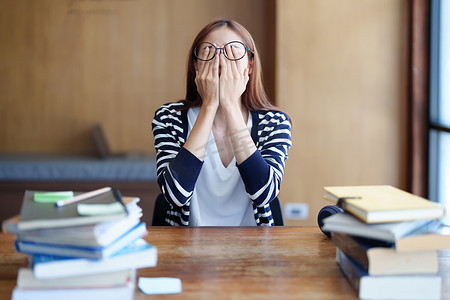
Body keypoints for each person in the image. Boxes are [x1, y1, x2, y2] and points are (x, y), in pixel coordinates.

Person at [152, 19, 292, 226]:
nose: (220, 62)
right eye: (209, 52)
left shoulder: (274, 122)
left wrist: (230, 105)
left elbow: (264, 194)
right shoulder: (169, 118)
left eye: (233, 52)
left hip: (254, 250)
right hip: (186, 248)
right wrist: (209, 105)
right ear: (195, 65)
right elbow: (175, 195)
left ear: (250, 65)